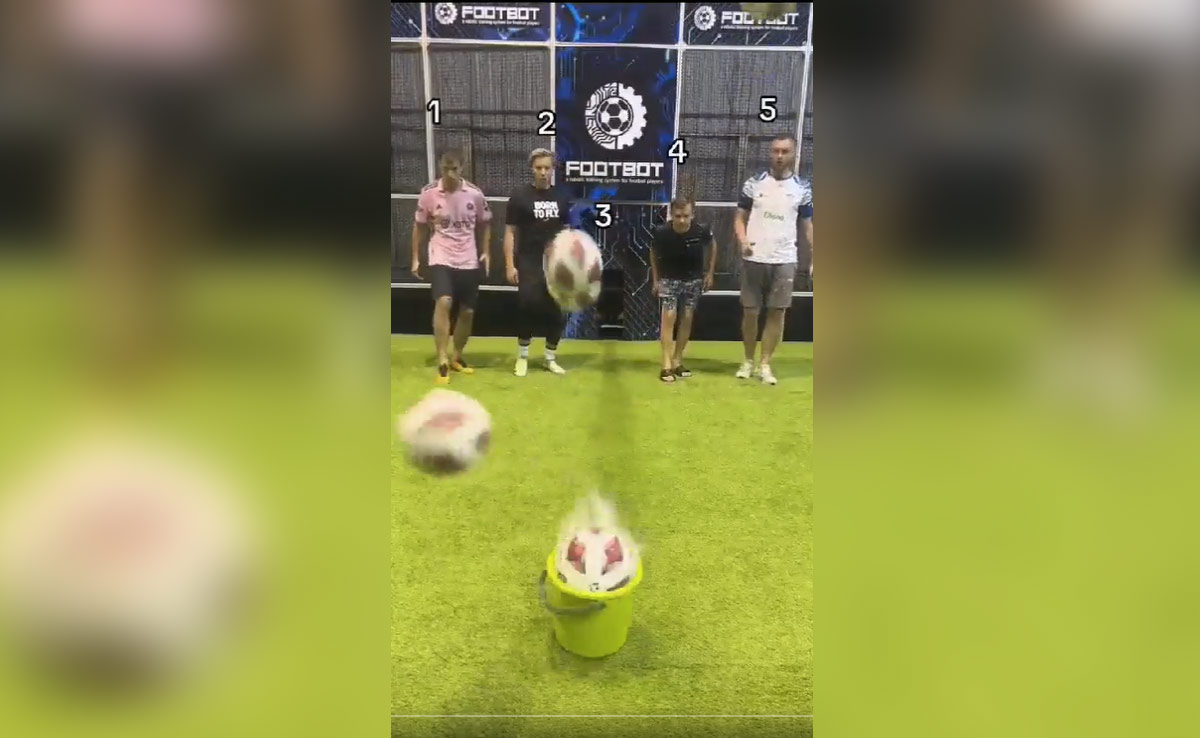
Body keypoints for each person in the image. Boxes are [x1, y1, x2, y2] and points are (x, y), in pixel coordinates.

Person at [733, 134, 813, 385]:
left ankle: (765, 364)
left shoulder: (803, 188)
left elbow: (808, 226)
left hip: (785, 259)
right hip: (754, 258)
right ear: (770, 153)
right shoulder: (753, 183)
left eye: (784, 151)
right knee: (750, 312)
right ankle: (748, 361)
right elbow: (739, 218)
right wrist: (743, 241)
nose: (779, 156)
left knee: (777, 312)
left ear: (794, 154)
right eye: (775, 151)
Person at [411, 151, 492, 385]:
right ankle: (442, 359)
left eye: (454, 169)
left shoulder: (474, 194)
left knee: (467, 311)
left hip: (468, 259)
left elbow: (486, 223)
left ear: (461, 169)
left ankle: (457, 356)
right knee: (444, 301)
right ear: (440, 168)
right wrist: (415, 257)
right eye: (445, 169)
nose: (449, 173)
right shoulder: (429, 194)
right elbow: (419, 226)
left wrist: (486, 251)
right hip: (441, 256)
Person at [503, 148, 573, 377]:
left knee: (557, 309)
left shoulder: (562, 197)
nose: (543, 172)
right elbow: (510, 232)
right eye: (539, 168)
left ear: (553, 170)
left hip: (555, 263)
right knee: (527, 304)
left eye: (547, 168)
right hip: (528, 260)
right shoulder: (520, 196)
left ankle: (550, 357)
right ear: (532, 169)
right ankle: (522, 356)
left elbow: (567, 232)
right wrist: (510, 265)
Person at [649, 196, 716, 383]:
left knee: (687, 318)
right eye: (678, 216)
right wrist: (655, 280)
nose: (682, 220)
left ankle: (677, 360)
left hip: (693, 280)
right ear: (671, 214)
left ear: (692, 214)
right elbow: (653, 252)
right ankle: (666, 364)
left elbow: (713, 245)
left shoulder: (701, 230)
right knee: (668, 317)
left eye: (686, 216)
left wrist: (710, 273)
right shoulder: (662, 232)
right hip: (669, 279)